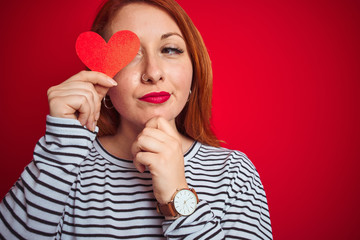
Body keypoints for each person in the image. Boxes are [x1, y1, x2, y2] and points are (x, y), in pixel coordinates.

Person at [0, 0, 272, 239]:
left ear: (194, 69)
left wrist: (177, 195)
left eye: (170, 49)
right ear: (101, 73)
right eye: (130, 54)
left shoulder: (234, 172)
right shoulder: (64, 168)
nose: (153, 73)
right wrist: (62, 145)